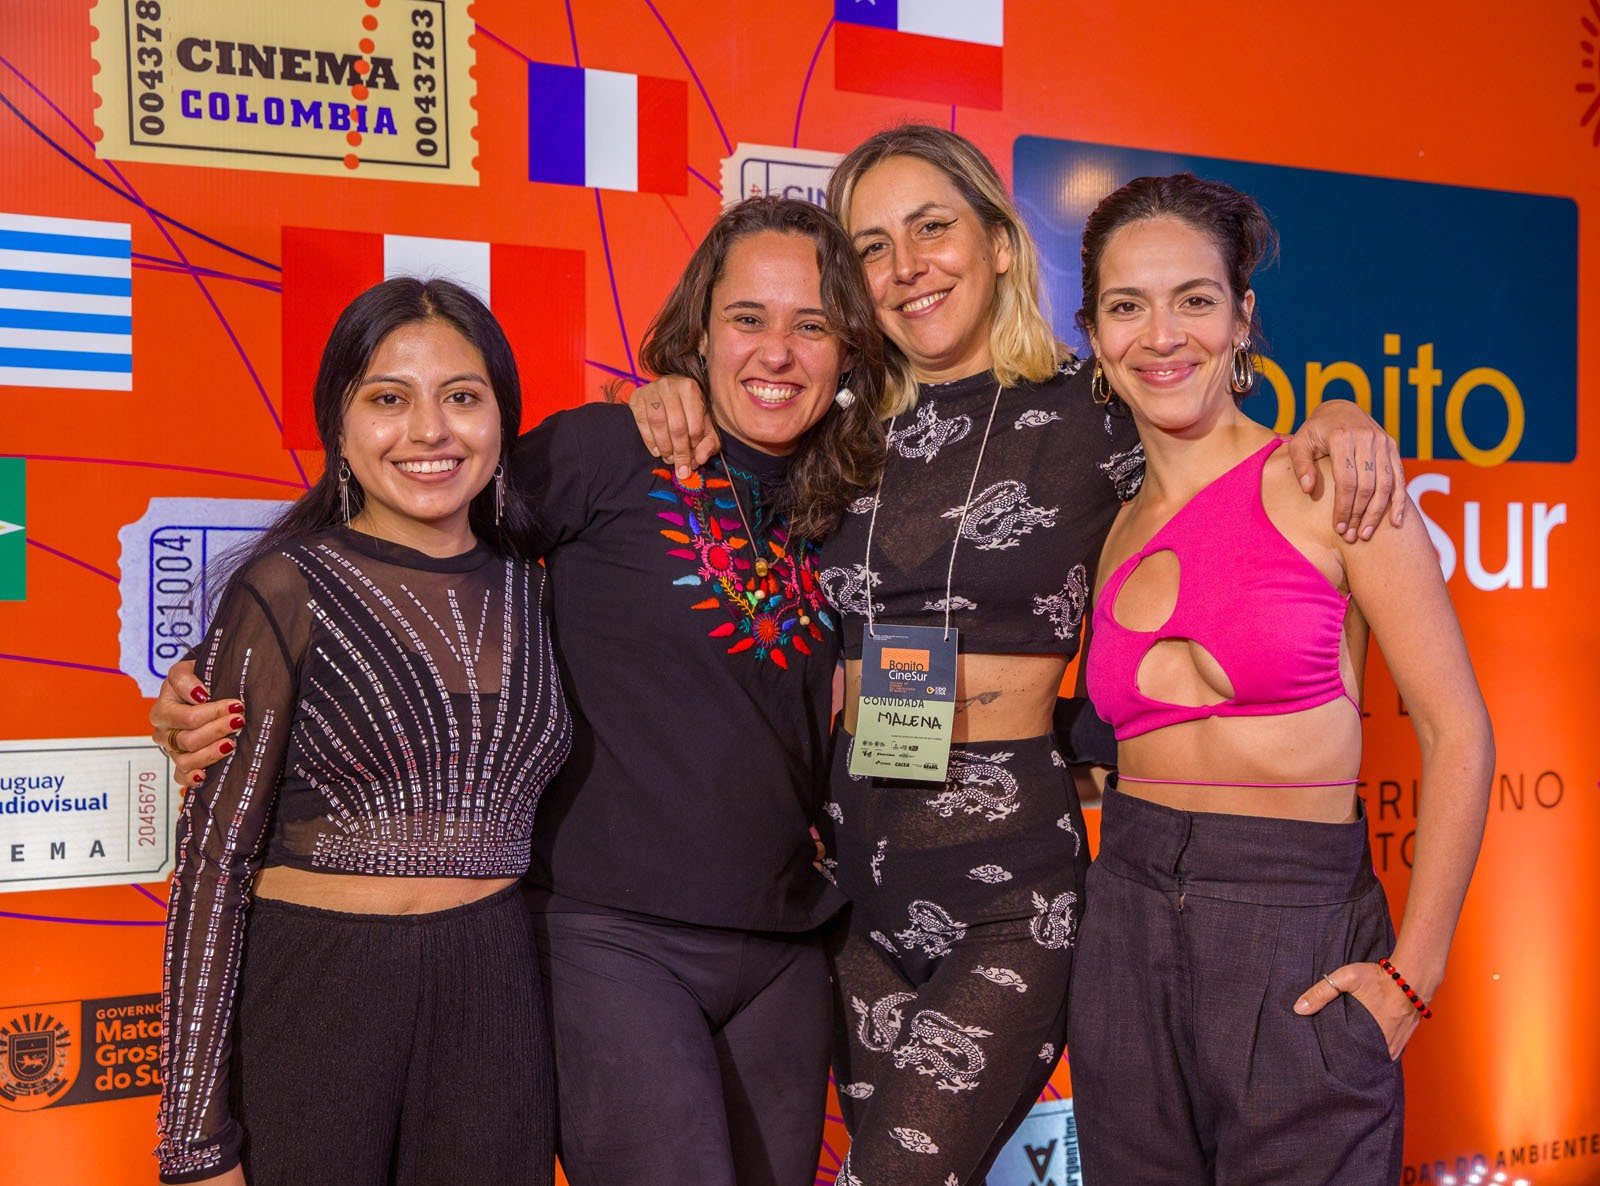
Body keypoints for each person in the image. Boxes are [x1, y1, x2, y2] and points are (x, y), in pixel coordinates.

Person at [629, 125, 1410, 1186]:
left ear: (998, 243)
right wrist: (663, 392)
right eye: (871, 247)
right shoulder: (829, 433)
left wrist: (1341, 415)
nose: (907, 266)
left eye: (933, 228)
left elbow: (1228, 452)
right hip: (851, 884)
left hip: (1010, 889)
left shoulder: (1099, 412)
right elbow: (720, 441)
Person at [152, 197, 889, 1186]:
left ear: (850, 349)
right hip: (603, 940)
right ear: (701, 330)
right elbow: (412, 526)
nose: (777, 351)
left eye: (812, 324)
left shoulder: (855, 501)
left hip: (771, 943)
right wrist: (213, 673)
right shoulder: (605, 452)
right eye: (747, 317)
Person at [1066, 173, 1493, 1186]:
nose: (1162, 336)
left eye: (1195, 299)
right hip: (1125, 921)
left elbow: (1457, 731)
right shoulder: (1108, 526)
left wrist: (1413, 975)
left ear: (1243, 317)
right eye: (1127, 306)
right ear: (1093, 335)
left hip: (1294, 924)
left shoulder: (1331, 482)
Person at [153, 278, 571, 1185]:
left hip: (497, 997)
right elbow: (214, 864)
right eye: (388, 399)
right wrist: (192, 1140)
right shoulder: (285, 588)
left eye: (462, 397)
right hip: (319, 993)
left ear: (502, 421)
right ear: (337, 429)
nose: (429, 430)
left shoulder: (543, 590)